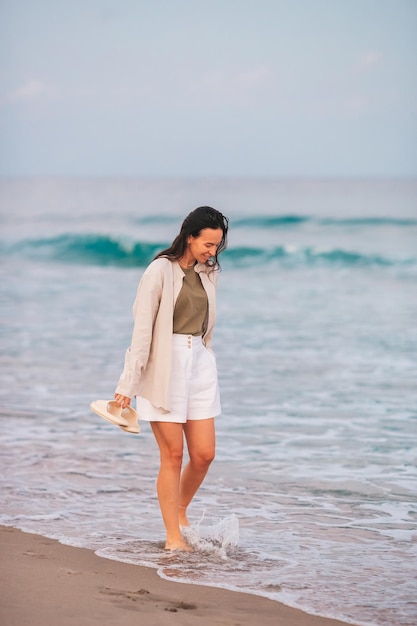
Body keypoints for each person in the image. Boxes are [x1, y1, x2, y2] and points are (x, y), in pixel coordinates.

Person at [114, 206, 229, 551]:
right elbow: (142, 331)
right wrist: (127, 385)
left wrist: (205, 356)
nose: (213, 252)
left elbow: (206, 322)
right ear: (189, 236)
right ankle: (173, 538)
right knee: (173, 456)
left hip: (199, 364)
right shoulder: (158, 271)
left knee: (205, 454)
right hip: (163, 365)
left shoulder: (209, 271)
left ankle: (180, 509)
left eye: (217, 246)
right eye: (208, 244)